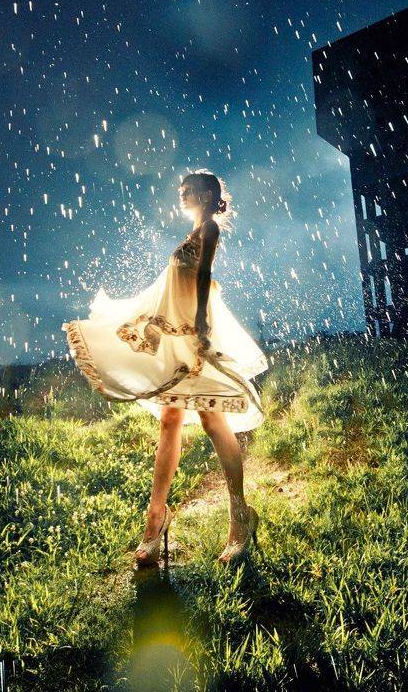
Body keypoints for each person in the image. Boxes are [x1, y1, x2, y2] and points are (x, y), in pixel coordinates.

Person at [61, 170, 267, 567]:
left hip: (194, 333)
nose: (182, 192)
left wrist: (202, 325)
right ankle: (156, 520)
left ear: (208, 194)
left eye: (189, 188)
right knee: (170, 420)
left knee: (211, 420)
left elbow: (204, 276)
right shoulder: (189, 234)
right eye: (181, 188)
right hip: (176, 336)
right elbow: (173, 286)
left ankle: (240, 518)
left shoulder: (208, 229)